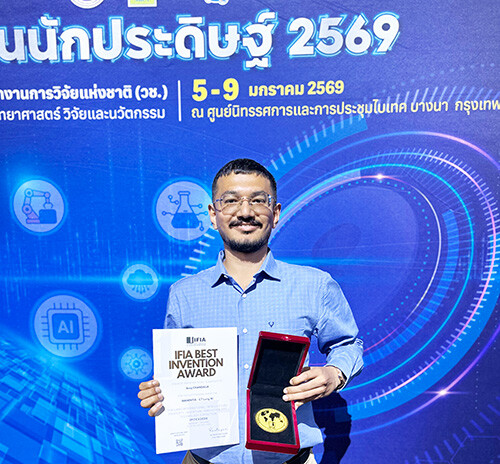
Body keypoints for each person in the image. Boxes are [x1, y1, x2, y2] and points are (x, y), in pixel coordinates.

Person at [138, 158, 363, 464]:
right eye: (231, 201)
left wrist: (334, 373)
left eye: (258, 200)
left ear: (276, 213)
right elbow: (177, 374)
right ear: (213, 215)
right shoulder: (183, 293)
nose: (245, 212)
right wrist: (160, 393)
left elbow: (348, 344)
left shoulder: (315, 285)